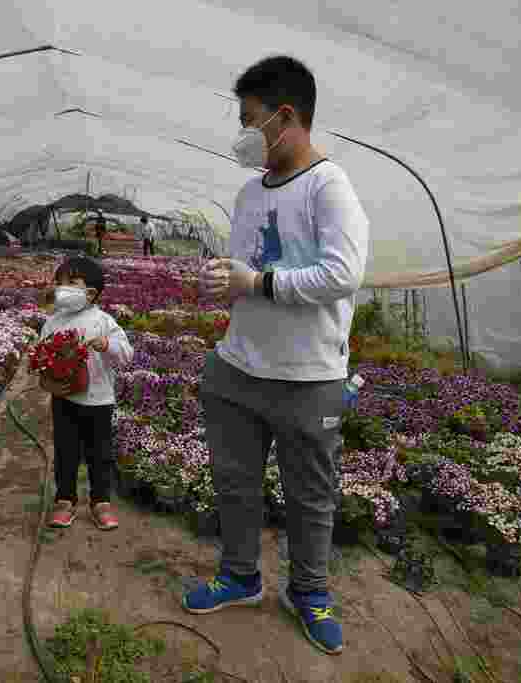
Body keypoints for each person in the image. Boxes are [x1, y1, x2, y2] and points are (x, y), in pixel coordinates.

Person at [182, 55, 369, 657]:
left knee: (311, 496)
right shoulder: (247, 193)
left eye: (250, 119)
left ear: (285, 117)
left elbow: (342, 274)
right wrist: (223, 284)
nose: (242, 133)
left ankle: (309, 595)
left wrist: (256, 283)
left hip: (307, 378)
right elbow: (247, 273)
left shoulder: (328, 186)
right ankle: (239, 576)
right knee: (235, 484)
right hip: (237, 369)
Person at [38, 257, 134, 531]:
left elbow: (126, 354)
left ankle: (101, 501)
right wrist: (48, 384)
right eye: (59, 283)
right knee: (65, 451)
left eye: (71, 283)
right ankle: (65, 500)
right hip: (64, 399)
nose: (61, 289)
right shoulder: (52, 322)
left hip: (98, 401)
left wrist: (107, 345)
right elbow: (40, 358)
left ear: (91, 293)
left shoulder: (103, 321)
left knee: (99, 454)